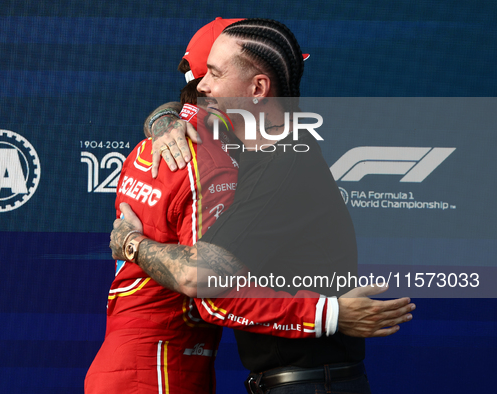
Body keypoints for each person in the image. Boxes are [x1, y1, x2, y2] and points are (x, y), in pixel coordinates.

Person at [110, 18, 415, 394]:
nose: (202, 84)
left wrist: (132, 244)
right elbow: (186, 107)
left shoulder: (284, 166)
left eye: (215, 74)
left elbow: (199, 278)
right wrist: (164, 119)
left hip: (314, 384)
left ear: (257, 89)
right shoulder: (255, 151)